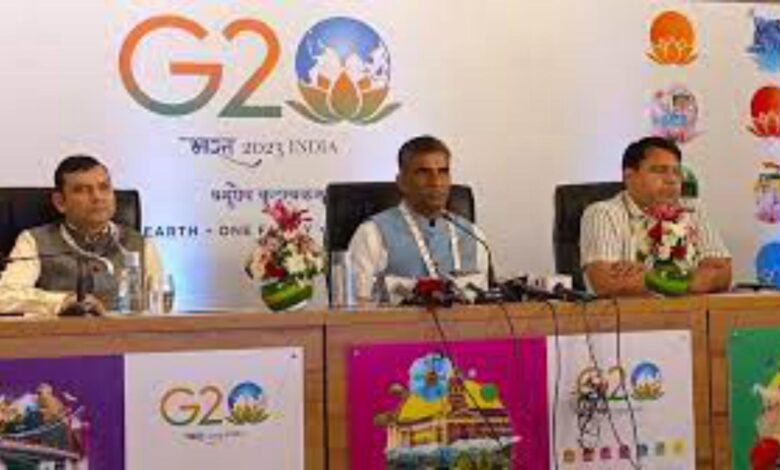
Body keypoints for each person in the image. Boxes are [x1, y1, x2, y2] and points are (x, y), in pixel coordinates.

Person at [0, 155, 163, 316]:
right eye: (82, 190)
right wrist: (63, 302)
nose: (97, 197)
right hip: (61, 333)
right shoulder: (33, 241)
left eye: (104, 187)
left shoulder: (140, 244)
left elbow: (160, 305)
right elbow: (4, 295)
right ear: (60, 202)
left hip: (127, 332)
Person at [580, 136, 731, 296]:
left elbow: (722, 275)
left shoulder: (692, 209)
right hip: (631, 313)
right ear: (629, 176)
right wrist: (691, 277)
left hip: (692, 311)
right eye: (659, 170)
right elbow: (606, 283)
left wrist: (649, 274)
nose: (671, 180)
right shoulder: (603, 213)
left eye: (676, 172)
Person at [348, 135, 490, 303]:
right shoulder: (372, 233)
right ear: (402, 182)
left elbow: (485, 304)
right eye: (423, 173)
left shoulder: (473, 235)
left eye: (443, 172)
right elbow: (357, 304)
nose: (436, 182)